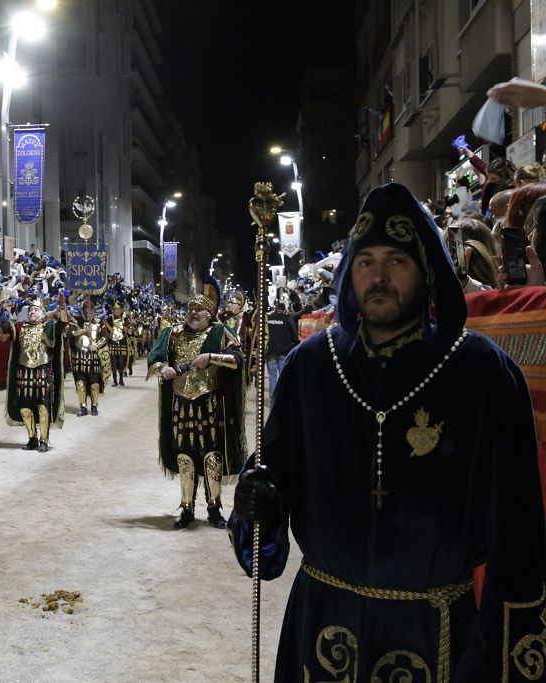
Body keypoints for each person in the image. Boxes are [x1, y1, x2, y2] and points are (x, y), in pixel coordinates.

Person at [230, 182, 546, 682]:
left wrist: (496, 655)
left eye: (396, 262)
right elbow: (265, 517)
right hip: (322, 632)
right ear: (349, 275)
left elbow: (518, 535)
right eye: (366, 261)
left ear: (427, 271)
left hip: (437, 639)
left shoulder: (482, 374)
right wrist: (257, 505)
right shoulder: (309, 369)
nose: (378, 276)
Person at [147, 280, 245, 529]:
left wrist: (211, 357)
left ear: (210, 313)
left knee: (212, 455)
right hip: (181, 402)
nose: (193, 312)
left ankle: (214, 508)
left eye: (199, 309)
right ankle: (187, 508)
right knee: (185, 457)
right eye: (190, 307)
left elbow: (238, 359)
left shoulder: (220, 331)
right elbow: (154, 358)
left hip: (210, 401)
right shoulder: (172, 333)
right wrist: (163, 368)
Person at [1, 294, 67, 452]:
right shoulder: (20, 327)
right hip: (23, 373)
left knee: (42, 408)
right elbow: (5, 332)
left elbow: (62, 325)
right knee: (25, 408)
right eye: (30, 309)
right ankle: (32, 439)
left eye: (36, 309)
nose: (32, 312)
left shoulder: (48, 326)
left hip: (42, 372)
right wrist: (1, 312)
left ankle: (44, 439)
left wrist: (63, 307)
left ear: (43, 313)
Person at [66, 296, 109, 416]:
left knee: (94, 384)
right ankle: (83, 407)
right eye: (85, 309)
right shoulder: (76, 321)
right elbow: (70, 333)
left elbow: (106, 337)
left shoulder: (99, 323)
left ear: (94, 311)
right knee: (80, 384)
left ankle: (94, 406)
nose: (87, 312)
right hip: (79, 358)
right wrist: (83, 330)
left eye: (90, 310)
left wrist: (97, 345)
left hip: (93, 358)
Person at [264, 302, 297, 402]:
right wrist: (291, 345)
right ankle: (282, 400)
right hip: (284, 352)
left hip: (270, 352)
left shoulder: (269, 318)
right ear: (283, 310)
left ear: (275, 309)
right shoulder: (288, 318)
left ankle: (273, 400)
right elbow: (295, 335)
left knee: (272, 378)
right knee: (283, 377)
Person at [103, 302, 130, 386]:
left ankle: (121, 380)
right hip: (112, 342)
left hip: (122, 341)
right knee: (113, 362)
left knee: (121, 361)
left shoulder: (124, 318)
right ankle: (115, 381)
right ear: (113, 310)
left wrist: (127, 329)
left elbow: (129, 329)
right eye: (115, 310)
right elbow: (107, 331)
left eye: (118, 310)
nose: (117, 311)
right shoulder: (110, 318)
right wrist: (106, 325)